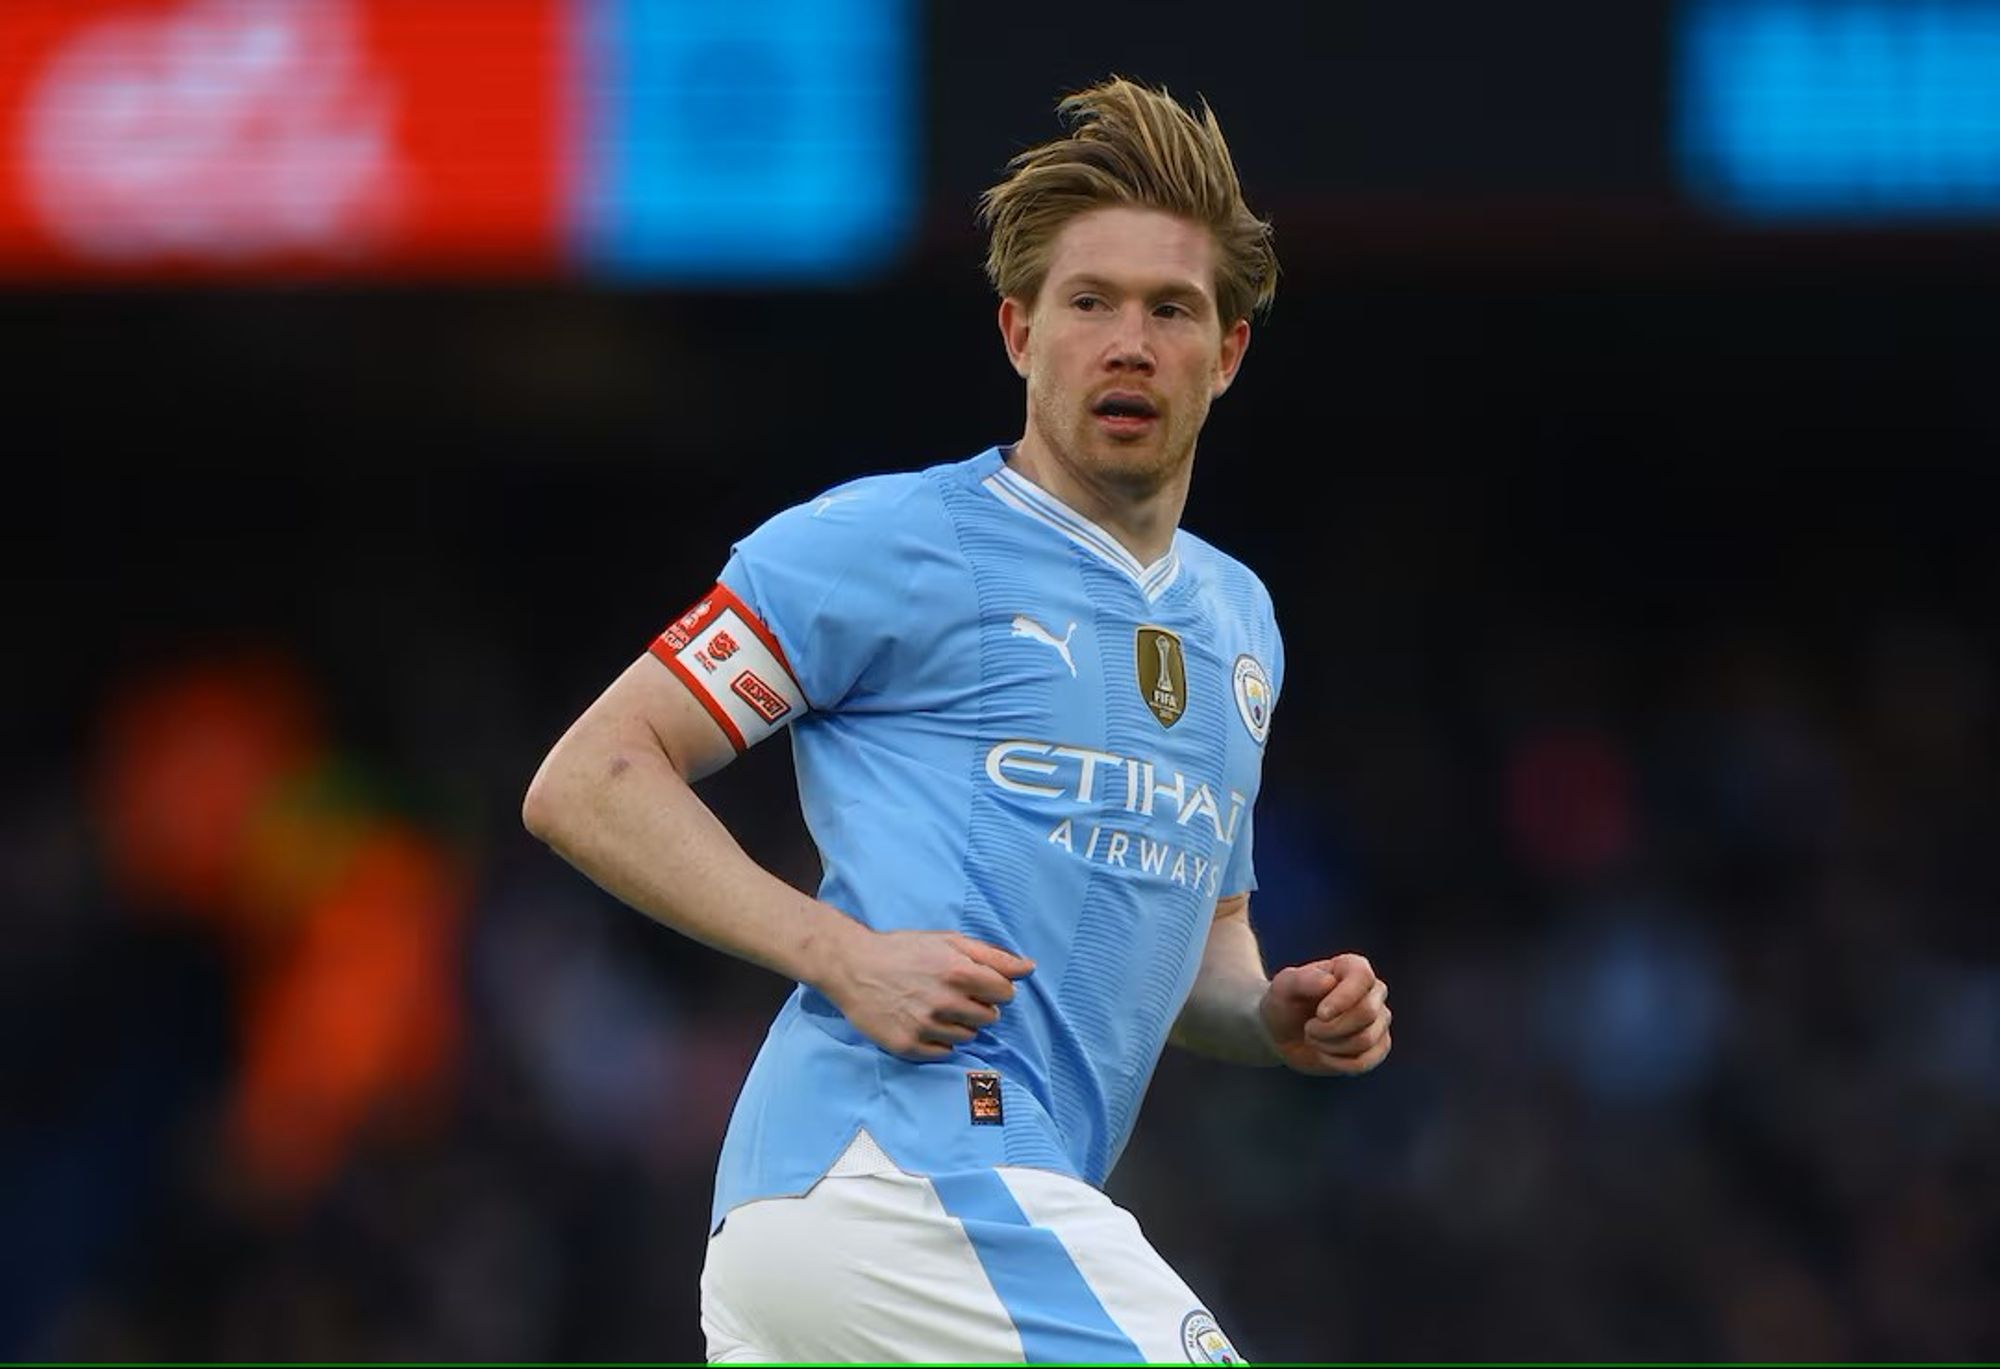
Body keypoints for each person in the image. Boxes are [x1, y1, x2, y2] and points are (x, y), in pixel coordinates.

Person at [523, 76, 1392, 1364]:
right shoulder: (882, 543)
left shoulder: (1241, 622)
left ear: (1230, 350)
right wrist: (840, 953)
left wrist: (1274, 1015)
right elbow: (589, 779)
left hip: (901, 1230)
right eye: (1089, 303)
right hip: (897, 1175)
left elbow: (1203, 947)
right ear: (1017, 334)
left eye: (1173, 309)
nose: (1130, 342)